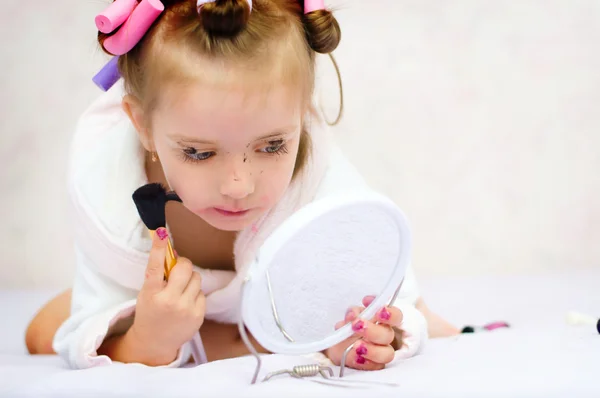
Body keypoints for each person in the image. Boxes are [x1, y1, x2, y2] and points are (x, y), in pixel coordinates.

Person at [25, 0, 459, 370]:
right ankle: (192, 326)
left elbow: (380, 295)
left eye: (272, 146)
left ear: (301, 116)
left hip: (280, 292)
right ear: (140, 124)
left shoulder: (323, 187)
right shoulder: (106, 197)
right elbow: (89, 334)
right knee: (43, 335)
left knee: (419, 320)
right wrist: (148, 339)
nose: (238, 185)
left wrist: (365, 336)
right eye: (198, 153)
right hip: (173, 305)